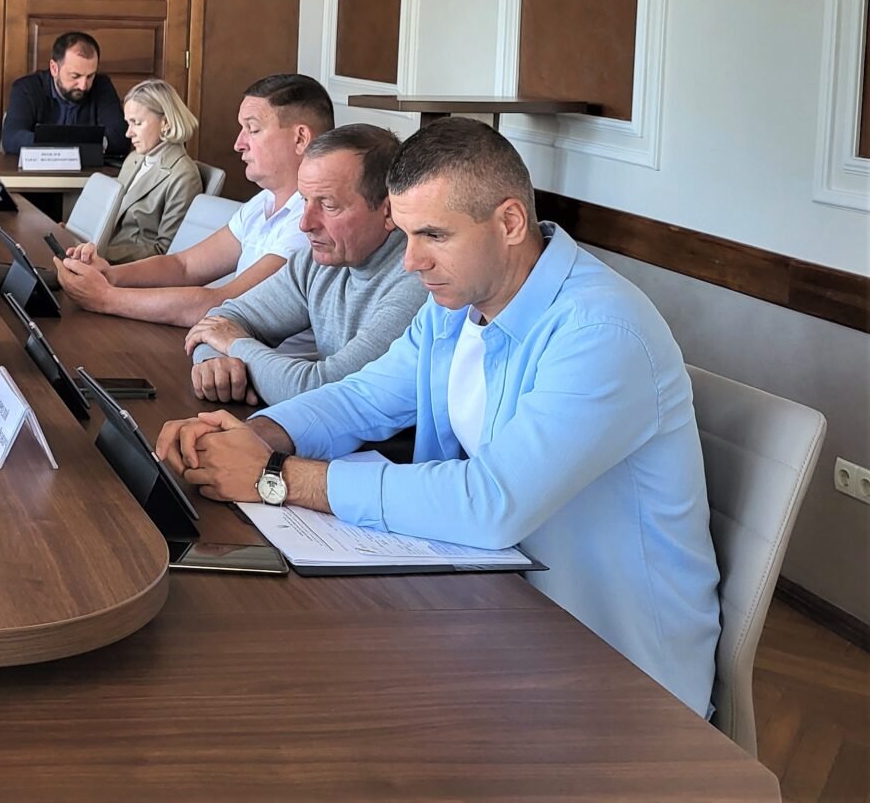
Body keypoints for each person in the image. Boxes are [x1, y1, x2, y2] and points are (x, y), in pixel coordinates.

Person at [156, 119, 720, 716]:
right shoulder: (457, 303)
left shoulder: (602, 332)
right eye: (405, 234)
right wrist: (244, 436)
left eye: (433, 235)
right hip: (488, 607)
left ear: (509, 222)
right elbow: (362, 397)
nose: (410, 262)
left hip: (616, 677)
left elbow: (491, 502)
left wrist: (275, 476)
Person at [56, 73, 333, 326]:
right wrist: (109, 275)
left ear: (300, 139)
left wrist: (105, 297)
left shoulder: (310, 221)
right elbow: (183, 266)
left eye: (253, 129)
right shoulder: (262, 203)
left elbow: (221, 305)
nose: (238, 144)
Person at [180, 124, 425, 405]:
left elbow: (321, 391)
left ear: (389, 211)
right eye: (305, 201)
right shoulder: (318, 261)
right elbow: (221, 320)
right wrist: (213, 363)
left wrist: (234, 344)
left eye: (329, 206)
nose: (305, 224)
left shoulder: (416, 282)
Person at [80, 80, 202, 263]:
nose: (128, 133)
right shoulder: (134, 159)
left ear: (165, 123)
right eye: (128, 123)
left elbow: (165, 251)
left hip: (124, 269)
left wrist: (100, 253)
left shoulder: (184, 175)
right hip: (99, 257)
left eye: (136, 123)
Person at [0, 31, 128, 156]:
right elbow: (12, 138)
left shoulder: (102, 86)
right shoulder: (27, 88)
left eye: (90, 76)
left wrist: (52, 141)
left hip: (88, 169)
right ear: (54, 68)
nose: (83, 86)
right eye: (75, 76)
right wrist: (81, 143)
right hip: (40, 169)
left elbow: (121, 138)